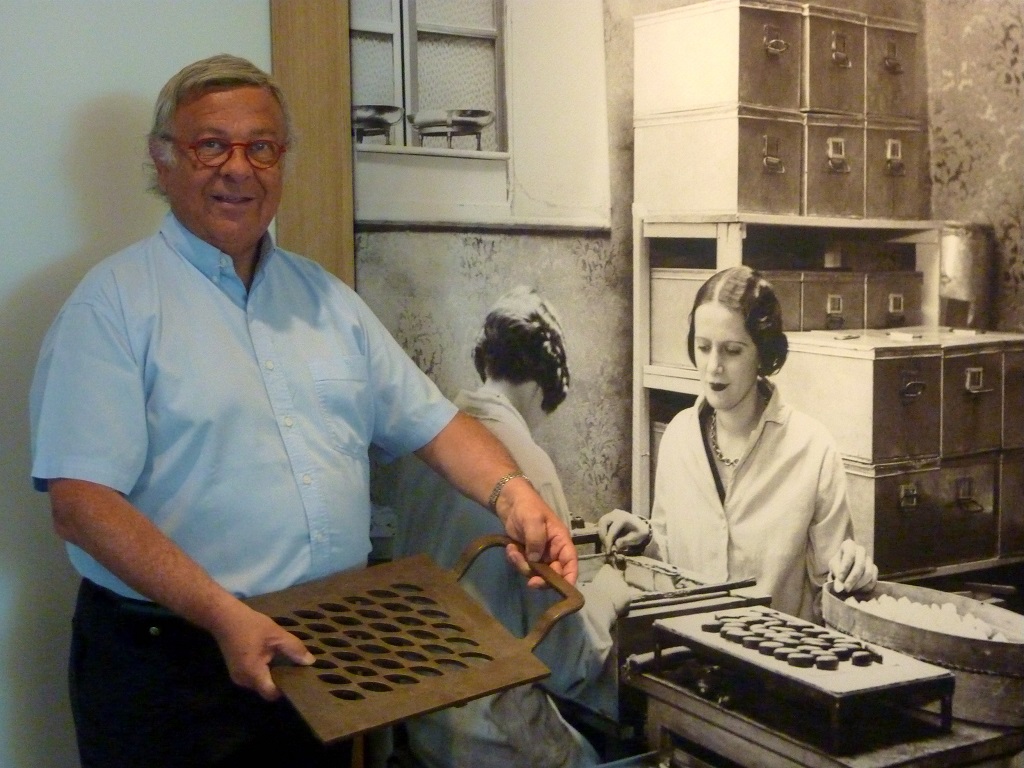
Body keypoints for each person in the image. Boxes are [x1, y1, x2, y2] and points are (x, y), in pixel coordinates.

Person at [28, 55, 576, 768]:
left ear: (281, 162)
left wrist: (516, 495)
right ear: (164, 161)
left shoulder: (327, 301)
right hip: (170, 671)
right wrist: (226, 616)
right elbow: (80, 502)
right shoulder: (113, 306)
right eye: (211, 146)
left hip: (317, 653)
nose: (238, 168)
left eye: (261, 147)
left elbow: (432, 423)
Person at [385, 286, 630, 768]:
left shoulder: (425, 446)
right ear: (540, 388)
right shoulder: (527, 469)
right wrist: (610, 592)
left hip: (425, 724)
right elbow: (568, 665)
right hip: (495, 740)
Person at [599, 266, 877, 623]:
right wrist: (646, 537)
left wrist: (854, 570)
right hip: (687, 654)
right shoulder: (678, 437)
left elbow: (834, 585)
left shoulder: (812, 448)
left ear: (762, 354)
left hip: (778, 665)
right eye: (703, 348)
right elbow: (671, 557)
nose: (713, 367)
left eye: (732, 351)